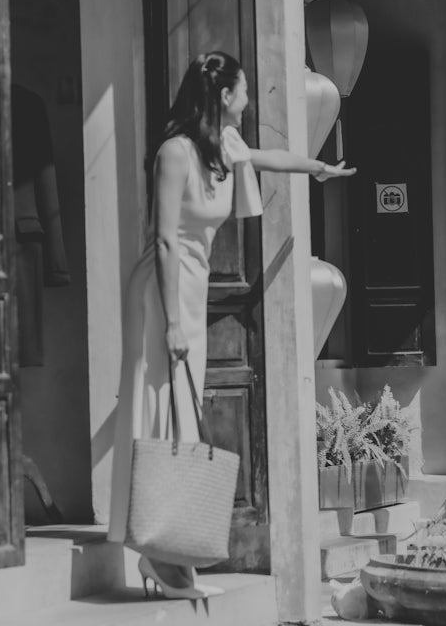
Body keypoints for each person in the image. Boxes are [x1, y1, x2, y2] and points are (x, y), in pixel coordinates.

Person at [107, 52, 355, 599]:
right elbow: (168, 238)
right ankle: (158, 551)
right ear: (223, 96)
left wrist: (316, 168)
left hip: (191, 288)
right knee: (163, 406)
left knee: (184, 411)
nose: (248, 100)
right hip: (160, 292)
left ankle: (171, 554)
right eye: (243, 92)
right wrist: (172, 323)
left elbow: (266, 157)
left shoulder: (224, 147)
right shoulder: (174, 153)